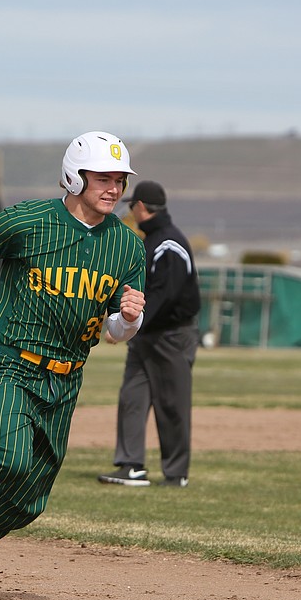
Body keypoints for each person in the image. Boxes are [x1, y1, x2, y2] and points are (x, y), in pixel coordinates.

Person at [0, 131, 147, 600]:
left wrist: (129, 318)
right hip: (15, 364)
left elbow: (114, 333)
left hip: (67, 379)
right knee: (13, 462)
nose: (113, 189)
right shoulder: (31, 219)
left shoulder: (128, 247)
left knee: (29, 499)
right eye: (102, 178)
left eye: (119, 180)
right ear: (73, 177)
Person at [98, 180, 201, 488]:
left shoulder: (169, 243)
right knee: (132, 395)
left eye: (132, 205)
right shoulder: (151, 241)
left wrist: (130, 324)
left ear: (141, 207)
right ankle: (131, 466)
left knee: (172, 403)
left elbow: (163, 296)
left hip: (170, 335)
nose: (131, 211)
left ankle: (176, 473)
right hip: (146, 335)